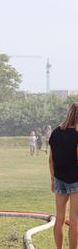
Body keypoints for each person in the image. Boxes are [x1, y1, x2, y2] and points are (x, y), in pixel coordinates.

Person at [49, 102, 78, 249]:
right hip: (75, 182)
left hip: (59, 179)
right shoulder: (77, 135)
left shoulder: (55, 132)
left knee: (59, 218)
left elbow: (51, 159)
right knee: (74, 220)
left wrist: (53, 179)